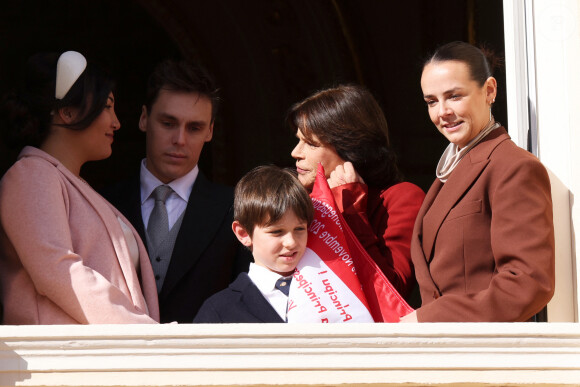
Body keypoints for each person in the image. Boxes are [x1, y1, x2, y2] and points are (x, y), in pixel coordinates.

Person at [0, 51, 159, 324]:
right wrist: (141, 331)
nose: (117, 122)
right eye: (108, 106)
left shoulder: (70, 184)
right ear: (68, 112)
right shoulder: (31, 174)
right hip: (61, 361)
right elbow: (58, 271)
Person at [401, 41, 555, 322]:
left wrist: (431, 319)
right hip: (448, 352)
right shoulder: (450, 171)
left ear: (490, 91)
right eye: (432, 101)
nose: (442, 112)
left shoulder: (513, 167)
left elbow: (528, 283)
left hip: (487, 353)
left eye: (455, 96)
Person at [102, 59, 251, 323]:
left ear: (210, 131)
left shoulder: (238, 209)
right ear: (144, 118)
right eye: (168, 123)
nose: (180, 139)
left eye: (194, 128)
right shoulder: (102, 201)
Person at [288, 85, 425, 299]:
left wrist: (352, 212)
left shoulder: (401, 198)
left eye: (311, 144)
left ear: (350, 147)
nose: (296, 152)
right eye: (298, 140)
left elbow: (392, 292)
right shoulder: (299, 202)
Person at [194, 165, 314, 323]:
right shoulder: (219, 311)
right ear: (243, 233)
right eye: (276, 232)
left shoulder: (330, 292)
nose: (291, 242)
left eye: (299, 229)